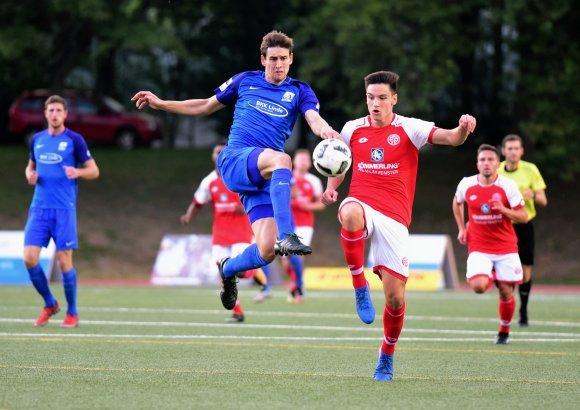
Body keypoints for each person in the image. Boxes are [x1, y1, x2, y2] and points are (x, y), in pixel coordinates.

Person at [132, 30, 339, 311]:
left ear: (291, 59)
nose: (278, 64)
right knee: (283, 160)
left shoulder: (299, 90)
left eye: (283, 59)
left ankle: (229, 270)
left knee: (266, 251)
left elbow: (313, 118)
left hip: (263, 175)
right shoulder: (246, 81)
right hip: (235, 160)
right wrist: (161, 104)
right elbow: (205, 105)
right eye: (273, 59)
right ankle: (288, 236)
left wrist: (325, 130)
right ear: (263, 59)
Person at [322, 71, 476, 381]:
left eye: (381, 98)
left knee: (395, 299)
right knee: (349, 213)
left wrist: (462, 129)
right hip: (361, 202)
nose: (374, 104)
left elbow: (450, 138)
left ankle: (386, 356)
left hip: (395, 218)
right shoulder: (352, 129)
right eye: (370, 97)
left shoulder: (410, 128)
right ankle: (359, 285)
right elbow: (338, 161)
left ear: (394, 98)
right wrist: (331, 186)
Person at [23, 95, 100, 328]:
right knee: (29, 259)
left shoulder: (74, 140)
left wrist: (78, 173)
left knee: (64, 260)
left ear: (65, 114)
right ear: (45, 114)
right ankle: (50, 303)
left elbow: (94, 170)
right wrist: (29, 175)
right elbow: (31, 166)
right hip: (39, 208)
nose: (54, 114)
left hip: (64, 209)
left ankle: (73, 312)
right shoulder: (37, 139)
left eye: (59, 110)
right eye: (51, 110)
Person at [180, 143, 267, 322]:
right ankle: (237, 311)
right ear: (213, 157)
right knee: (224, 273)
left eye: (222, 151)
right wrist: (188, 216)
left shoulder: (240, 175)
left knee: (240, 271)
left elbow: (255, 200)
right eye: (216, 152)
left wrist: (242, 209)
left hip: (241, 232)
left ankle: (255, 273)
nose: (219, 154)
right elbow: (198, 202)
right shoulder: (209, 181)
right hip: (220, 235)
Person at [453, 144, 528, 345]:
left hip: (506, 246)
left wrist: (504, 210)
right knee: (478, 286)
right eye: (482, 160)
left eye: (490, 160)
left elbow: (524, 216)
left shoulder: (508, 186)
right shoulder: (466, 184)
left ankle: (504, 332)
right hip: (479, 246)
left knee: (506, 292)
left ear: (497, 163)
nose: (486, 163)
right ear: (477, 164)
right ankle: (493, 275)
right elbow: (457, 202)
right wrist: (462, 228)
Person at [255, 149, 325, 303]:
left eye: (306, 160)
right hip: (286, 221)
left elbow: (321, 204)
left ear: (311, 163)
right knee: (286, 258)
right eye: (300, 159)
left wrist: (307, 206)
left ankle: (298, 287)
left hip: (304, 224)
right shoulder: (285, 175)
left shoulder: (313, 181)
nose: (303, 162)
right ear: (294, 160)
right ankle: (296, 284)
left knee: (296, 254)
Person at [498, 134, 547, 327]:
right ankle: (506, 307)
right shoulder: (497, 170)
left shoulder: (530, 169)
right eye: (509, 148)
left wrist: (532, 194)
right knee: (503, 270)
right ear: (503, 151)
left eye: (516, 148)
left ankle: (523, 310)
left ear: (522, 151)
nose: (513, 152)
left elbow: (543, 200)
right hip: (502, 226)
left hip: (525, 226)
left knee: (526, 271)